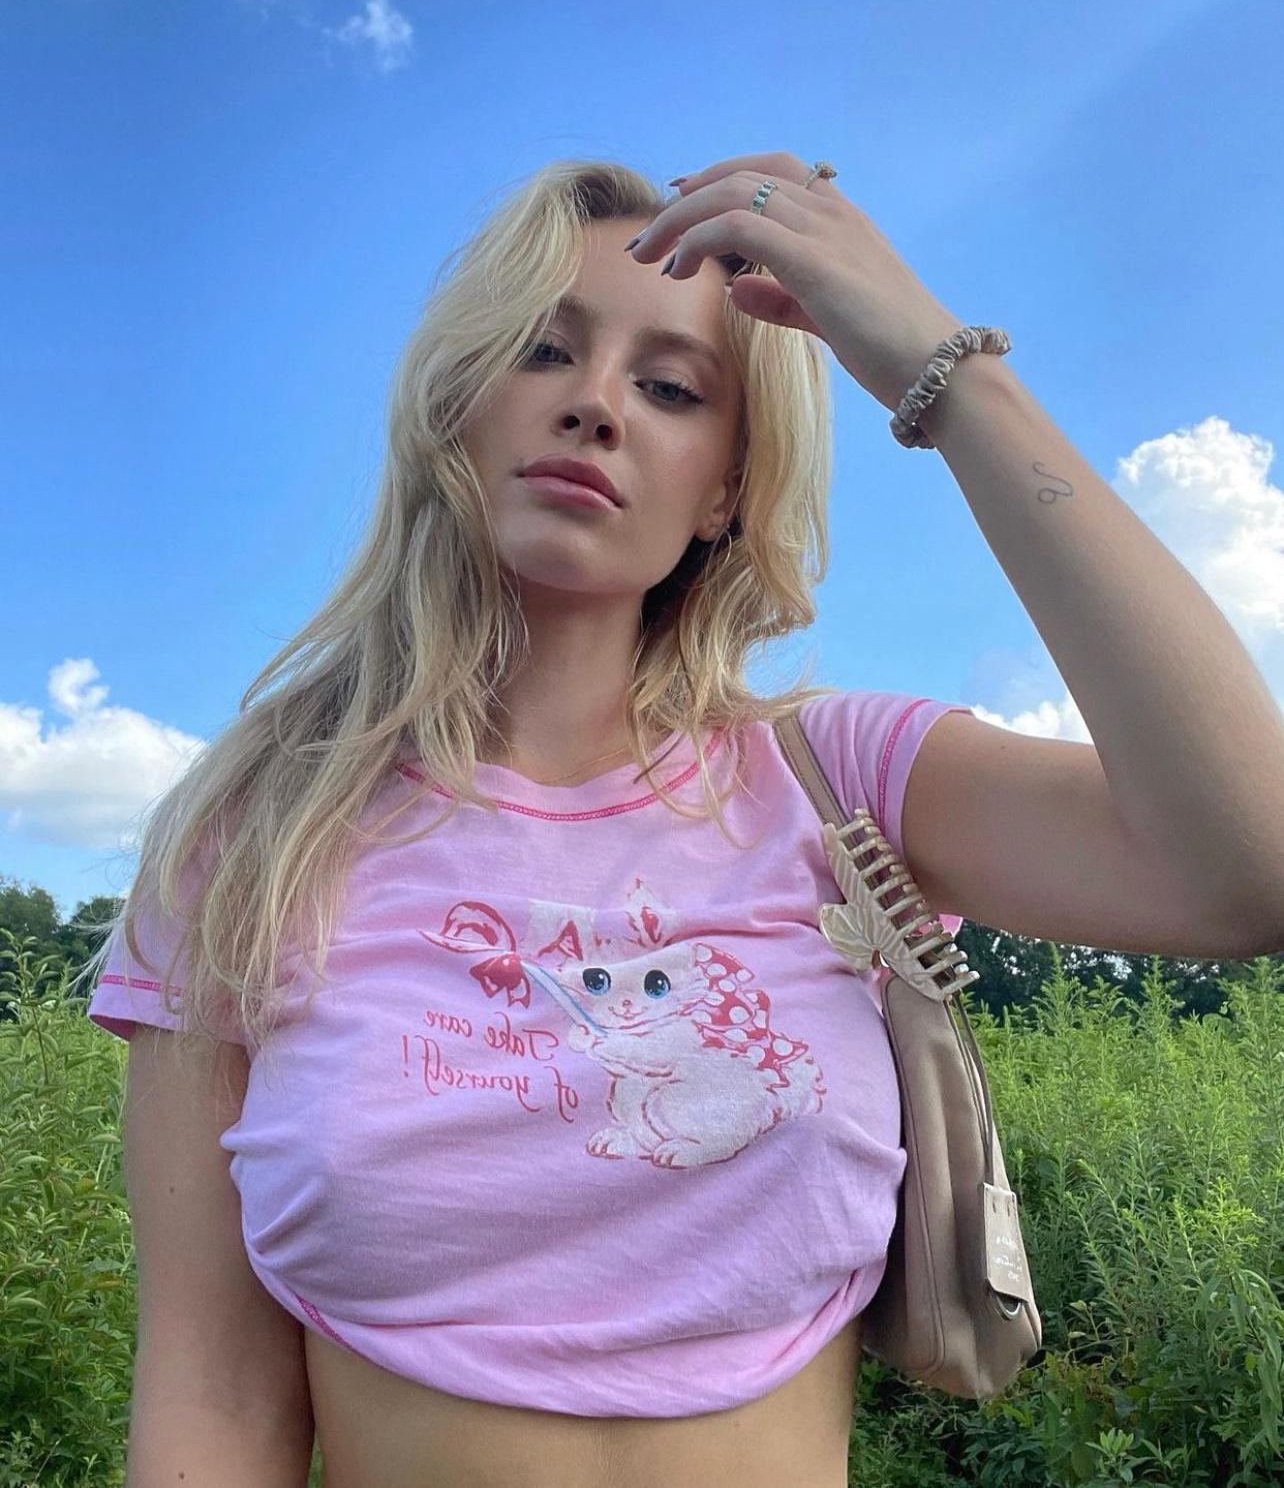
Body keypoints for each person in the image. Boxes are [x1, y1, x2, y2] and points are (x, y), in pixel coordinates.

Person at [80, 158, 975, 1488]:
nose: (595, 403)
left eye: (672, 388)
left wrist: (942, 371)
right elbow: (214, 1396)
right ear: (455, 400)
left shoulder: (841, 777)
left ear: (727, 488)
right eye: (543, 349)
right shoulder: (253, 834)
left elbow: (1250, 865)